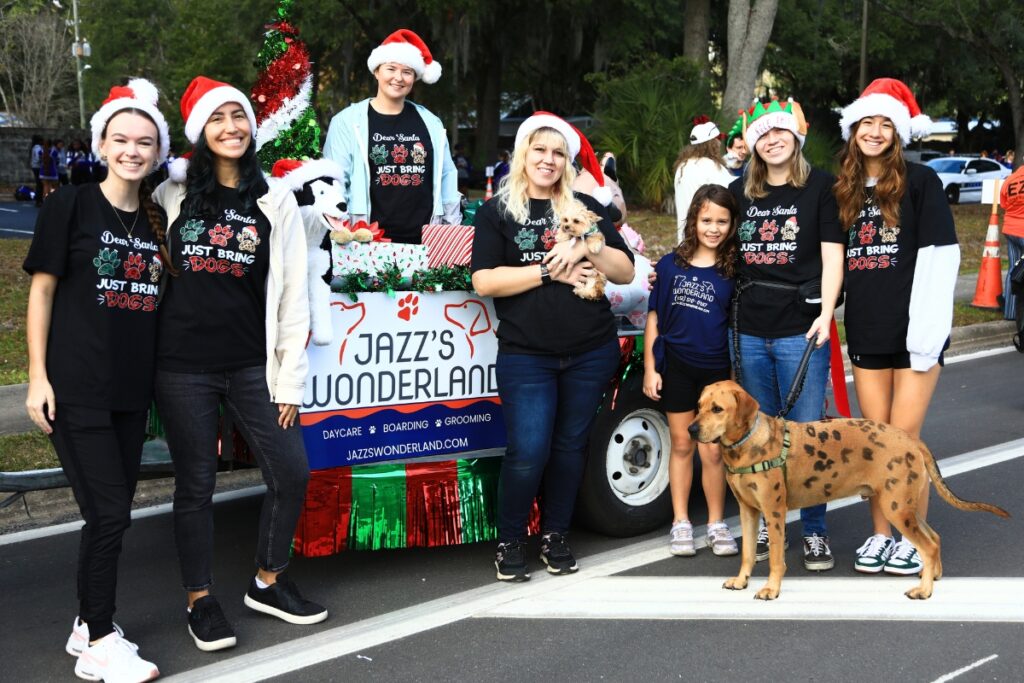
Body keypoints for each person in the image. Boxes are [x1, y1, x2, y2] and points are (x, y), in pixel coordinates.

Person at [153, 75, 326, 652]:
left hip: (254, 364)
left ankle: (268, 581)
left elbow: (294, 295)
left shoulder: (275, 199)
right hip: (182, 366)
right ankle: (200, 599)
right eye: (217, 118)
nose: (231, 127)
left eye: (238, 116)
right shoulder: (171, 194)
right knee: (196, 485)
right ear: (200, 130)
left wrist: (290, 379)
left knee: (291, 472)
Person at [24, 78, 170, 683]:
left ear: (158, 152)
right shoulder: (72, 205)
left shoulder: (160, 220)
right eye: (121, 139)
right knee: (111, 515)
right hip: (76, 387)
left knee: (106, 514)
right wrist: (37, 377)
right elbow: (42, 292)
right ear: (102, 145)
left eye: (144, 142)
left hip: (131, 394)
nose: (132, 150)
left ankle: (86, 624)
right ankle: (102, 643)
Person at [471, 112, 635, 582]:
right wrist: (548, 271)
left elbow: (625, 271)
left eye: (558, 152)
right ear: (523, 155)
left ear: (567, 161)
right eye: (539, 150)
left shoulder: (586, 206)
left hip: (590, 350)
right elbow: (485, 281)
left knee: (570, 448)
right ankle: (510, 540)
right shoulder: (497, 212)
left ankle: (556, 535)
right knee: (528, 451)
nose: (548, 160)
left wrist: (586, 246)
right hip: (527, 355)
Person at [835, 78, 960, 575]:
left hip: (915, 333)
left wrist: (929, 333)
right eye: (866, 122)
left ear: (899, 133)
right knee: (875, 443)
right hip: (866, 331)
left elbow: (941, 258)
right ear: (853, 129)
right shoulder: (843, 189)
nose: (875, 131)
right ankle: (881, 535)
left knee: (904, 439)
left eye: (886, 124)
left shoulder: (921, 181)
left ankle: (913, 536)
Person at [728, 98, 845, 572]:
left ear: (795, 138)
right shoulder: (739, 191)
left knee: (807, 433)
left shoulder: (821, 187)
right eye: (763, 135)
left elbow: (833, 256)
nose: (772, 140)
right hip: (748, 328)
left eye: (781, 132)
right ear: (753, 144)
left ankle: (814, 530)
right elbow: (714, 242)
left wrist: (827, 313)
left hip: (802, 324)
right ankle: (760, 524)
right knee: (755, 433)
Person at [643, 184, 739, 557]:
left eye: (722, 222)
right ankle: (681, 521)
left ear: (731, 225)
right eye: (706, 220)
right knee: (682, 444)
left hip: (715, 372)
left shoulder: (733, 270)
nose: (713, 228)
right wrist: (651, 368)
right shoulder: (670, 266)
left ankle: (716, 523)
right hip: (677, 367)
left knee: (712, 451)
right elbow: (655, 318)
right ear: (693, 221)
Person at [323, 29, 461, 243]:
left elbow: (447, 177)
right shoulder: (347, 122)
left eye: (407, 71)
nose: (398, 78)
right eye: (391, 69)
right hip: (365, 240)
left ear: (415, 77)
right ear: (377, 71)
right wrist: (345, 232)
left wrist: (451, 233)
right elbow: (334, 182)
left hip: (425, 242)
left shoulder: (431, 123)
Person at [673, 116, 734, 243]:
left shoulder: (682, 166)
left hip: (685, 236)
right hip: (707, 236)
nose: (719, 143)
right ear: (711, 143)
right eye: (717, 139)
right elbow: (732, 191)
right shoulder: (711, 166)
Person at [1001, 164, 1024, 321]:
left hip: (1010, 229)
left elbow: (1004, 204)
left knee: (1013, 271)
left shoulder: (1010, 179)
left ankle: (1010, 313)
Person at [30, 134, 43, 205]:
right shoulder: (38, 148)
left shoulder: (33, 147)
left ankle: (38, 199)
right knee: (40, 184)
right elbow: (39, 158)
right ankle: (39, 200)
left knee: (39, 184)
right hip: (38, 167)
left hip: (34, 166)